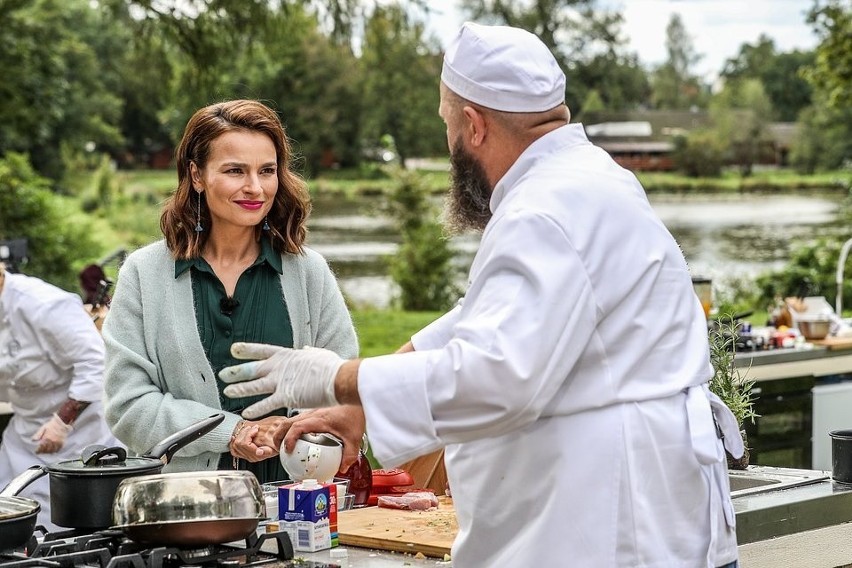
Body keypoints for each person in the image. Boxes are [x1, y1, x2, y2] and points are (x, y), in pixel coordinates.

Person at [219, 23, 743, 567]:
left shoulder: (543, 210)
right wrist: (357, 409)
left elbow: (496, 374)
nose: (448, 144)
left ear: (473, 125)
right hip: (647, 509)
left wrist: (334, 377)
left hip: (608, 524)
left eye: (447, 123)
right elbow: (486, 319)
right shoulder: (591, 179)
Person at [101, 99, 358, 484]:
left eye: (267, 171)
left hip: (298, 500)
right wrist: (230, 432)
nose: (255, 187)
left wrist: (293, 426)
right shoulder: (143, 274)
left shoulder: (309, 272)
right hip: (184, 505)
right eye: (235, 170)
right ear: (197, 175)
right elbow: (128, 406)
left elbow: (345, 390)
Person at [0, 263, 119, 531]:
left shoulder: (43, 304)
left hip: (80, 436)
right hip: (23, 434)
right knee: (10, 513)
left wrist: (61, 423)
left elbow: (95, 362)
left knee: (63, 528)